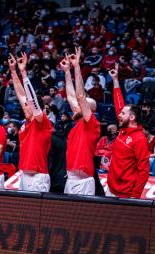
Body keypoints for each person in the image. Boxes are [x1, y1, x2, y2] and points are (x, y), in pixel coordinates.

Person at [9, 53, 53, 192]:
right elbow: (21, 95)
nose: (24, 106)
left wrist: (24, 73)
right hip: (25, 173)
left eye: (27, 105)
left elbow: (30, 98)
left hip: (38, 176)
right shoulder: (25, 123)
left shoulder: (43, 123)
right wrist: (13, 71)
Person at [60, 48, 101, 195]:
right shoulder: (78, 123)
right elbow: (71, 96)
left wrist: (77, 67)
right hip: (71, 177)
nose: (75, 106)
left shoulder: (91, 123)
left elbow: (79, 96)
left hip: (83, 180)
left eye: (79, 106)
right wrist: (66, 71)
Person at [107, 63, 150, 198]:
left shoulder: (139, 139)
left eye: (123, 114)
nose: (119, 115)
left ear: (132, 118)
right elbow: (119, 105)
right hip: (112, 189)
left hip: (127, 193)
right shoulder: (123, 130)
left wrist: (135, 195)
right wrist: (115, 81)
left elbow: (144, 170)